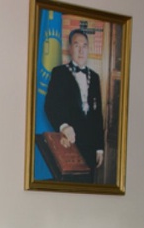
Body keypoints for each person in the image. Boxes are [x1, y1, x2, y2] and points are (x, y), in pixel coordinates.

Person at [43, 28, 105, 171]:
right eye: (77, 46)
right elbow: (49, 106)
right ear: (70, 48)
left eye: (85, 46)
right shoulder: (59, 73)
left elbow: (97, 115)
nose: (81, 51)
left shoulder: (95, 77)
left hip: (90, 149)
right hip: (68, 143)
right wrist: (64, 127)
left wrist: (99, 148)